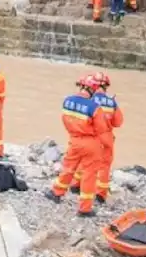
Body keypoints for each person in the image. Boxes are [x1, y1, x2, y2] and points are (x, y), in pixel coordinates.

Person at [46, 74, 112, 217]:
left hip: (74, 139)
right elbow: (102, 130)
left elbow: (65, 120)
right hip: (91, 143)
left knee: (68, 167)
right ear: (93, 89)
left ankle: (56, 193)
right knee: (89, 174)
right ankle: (84, 209)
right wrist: (107, 145)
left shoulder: (67, 101)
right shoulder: (94, 107)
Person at [90, 72, 123, 202]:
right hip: (107, 137)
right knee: (104, 166)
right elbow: (118, 122)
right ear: (106, 86)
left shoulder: (89, 99)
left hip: (91, 136)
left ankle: (79, 186)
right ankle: (100, 194)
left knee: (87, 163)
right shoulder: (111, 102)